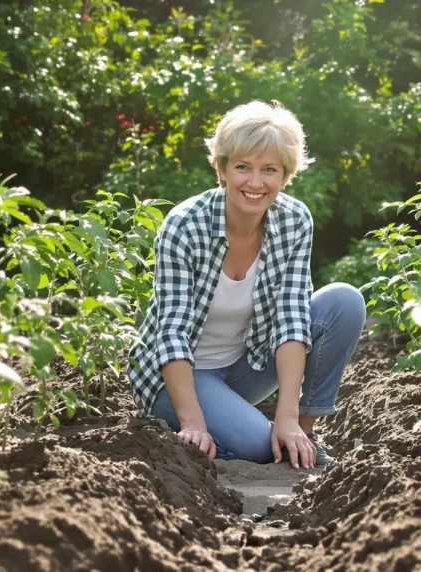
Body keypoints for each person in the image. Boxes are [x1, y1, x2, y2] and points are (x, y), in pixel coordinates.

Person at [127, 100, 365, 469]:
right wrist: (193, 424)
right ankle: (238, 430)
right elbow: (169, 333)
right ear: (222, 168)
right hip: (177, 377)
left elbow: (292, 317)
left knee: (344, 303)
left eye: (269, 169)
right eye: (242, 167)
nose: (255, 183)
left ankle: (301, 435)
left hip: (245, 365)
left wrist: (286, 418)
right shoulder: (184, 226)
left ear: (286, 174)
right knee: (256, 447)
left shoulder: (294, 220)